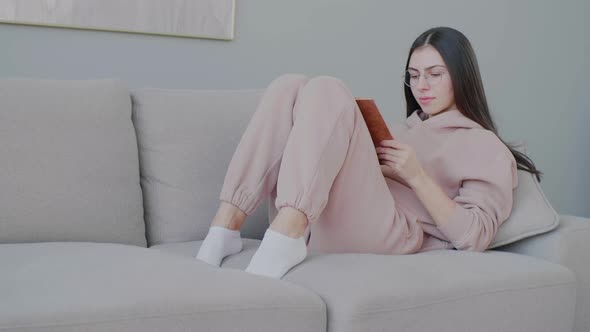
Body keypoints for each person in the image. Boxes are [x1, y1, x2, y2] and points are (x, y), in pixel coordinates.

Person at [195, 26, 542, 279]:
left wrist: (416, 176)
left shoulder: (486, 146)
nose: (422, 86)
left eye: (435, 74)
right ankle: (225, 226)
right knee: (290, 85)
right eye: (414, 76)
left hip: (396, 234)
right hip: (330, 218)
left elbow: (475, 236)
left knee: (329, 88)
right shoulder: (406, 130)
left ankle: (287, 234)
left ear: (462, 77)